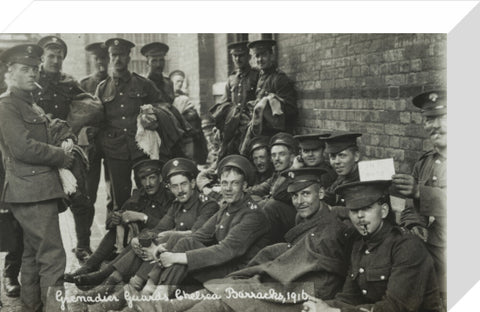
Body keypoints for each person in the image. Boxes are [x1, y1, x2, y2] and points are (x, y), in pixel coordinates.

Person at [129, 167, 354, 312]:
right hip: (279, 275)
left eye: (306, 194)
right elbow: (201, 235)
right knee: (216, 291)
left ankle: (156, 304)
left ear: (322, 194)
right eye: (295, 195)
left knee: (221, 300)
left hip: (299, 288)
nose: (300, 201)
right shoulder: (307, 217)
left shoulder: (333, 225)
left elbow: (326, 269)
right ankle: (158, 305)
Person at [82, 158, 220, 311]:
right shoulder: (177, 205)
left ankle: (120, 291)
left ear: (193, 183)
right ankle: (112, 285)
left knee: (167, 240)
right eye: (174, 186)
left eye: (183, 184)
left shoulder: (208, 204)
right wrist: (138, 239)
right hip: (171, 257)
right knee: (150, 241)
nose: (179, 190)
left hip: (191, 262)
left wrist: (159, 244)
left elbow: (195, 236)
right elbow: (159, 229)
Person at [0, 44, 74, 311]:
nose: (32, 74)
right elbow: (22, 147)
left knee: (32, 255)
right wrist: (60, 156)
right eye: (24, 69)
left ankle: (33, 306)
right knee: (53, 257)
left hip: (33, 189)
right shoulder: (7, 105)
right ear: (10, 73)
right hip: (32, 191)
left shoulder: (28, 104)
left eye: (34, 69)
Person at [301, 180, 443, 312]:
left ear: (384, 211)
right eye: (354, 210)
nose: (360, 216)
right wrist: (323, 305)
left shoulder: (407, 246)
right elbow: (349, 297)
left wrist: (336, 311)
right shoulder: (359, 244)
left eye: (366, 208)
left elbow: (396, 307)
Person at [95, 37, 183, 211]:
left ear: (129, 57)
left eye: (121, 55)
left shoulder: (143, 84)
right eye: (114, 55)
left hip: (140, 149)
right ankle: (122, 235)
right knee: (119, 198)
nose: (117, 59)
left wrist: (152, 115)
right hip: (115, 151)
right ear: (110, 57)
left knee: (147, 192)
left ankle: (145, 230)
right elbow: (97, 119)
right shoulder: (102, 88)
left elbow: (162, 105)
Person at [64, 159, 174, 288]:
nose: (148, 183)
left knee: (142, 236)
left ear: (160, 178)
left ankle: (102, 275)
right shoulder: (140, 195)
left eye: (152, 178)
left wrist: (142, 217)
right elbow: (117, 215)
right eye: (144, 179)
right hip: (133, 242)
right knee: (115, 230)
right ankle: (89, 266)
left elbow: (166, 227)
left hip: (152, 245)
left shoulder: (169, 198)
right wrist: (116, 218)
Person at [34, 35, 95, 262]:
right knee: (32, 207)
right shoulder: (32, 82)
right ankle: (14, 269)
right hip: (37, 149)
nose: (55, 60)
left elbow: (92, 104)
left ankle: (83, 246)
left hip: (65, 146)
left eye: (59, 56)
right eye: (51, 56)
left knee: (81, 198)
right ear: (42, 58)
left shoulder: (68, 83)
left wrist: (70, 125)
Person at [392, 90, 447, 305]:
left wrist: (418, 192)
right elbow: (409, 209)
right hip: (431, 253)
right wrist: (414, 224)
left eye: (444, 118)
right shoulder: (424, 163)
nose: (436, 126)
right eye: (429, 119)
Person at [241, 39, 297, 146]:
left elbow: (291, 110)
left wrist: (270, 105)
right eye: (257, 56)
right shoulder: (261, 77)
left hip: (274, 136)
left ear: (271, 56)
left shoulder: (279, 79)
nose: (260, 59)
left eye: (263, 55)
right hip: (261, 133)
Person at [209, 41, 259, 159]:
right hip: (232, 123)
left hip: (248, 122)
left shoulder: (256, 75)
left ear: (249, 57)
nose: (238, 59)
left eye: (241, 55)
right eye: (234, 56)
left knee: (246, 152)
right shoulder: (232, 78)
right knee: (228, 152)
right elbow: (224, 102)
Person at [80, 42, 114, 214]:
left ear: (109, 59)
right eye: (97, 58)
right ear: (92, 60)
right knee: (88, 191)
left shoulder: (115, 82)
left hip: (111, 143)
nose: (101, 62)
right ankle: (84, 239)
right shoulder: (83, 84)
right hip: (92, 145)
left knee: (113, 192)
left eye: (104, 58)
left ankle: (113, 234)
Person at [248, 133, 299, 243]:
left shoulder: (296, 174)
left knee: (270, 205)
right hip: (279, 221)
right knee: (252, 201)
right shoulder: (278, 174)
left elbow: (277, 194)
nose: (276, 159)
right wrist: (239, 190)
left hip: (296, 222)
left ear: (292, 157)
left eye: (281, 154)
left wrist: (294, 169)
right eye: (273, 155)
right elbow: (261, 188)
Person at [169, 69, 208, 165]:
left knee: (191, 158)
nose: (180, 84)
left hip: (190, 133)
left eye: (182, 81)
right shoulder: (169, 97)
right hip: (178, 134)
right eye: (178, 81)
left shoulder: (183, 96)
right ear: (171, 82)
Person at [323, 132, 362, 207]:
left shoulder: (364, 180)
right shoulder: (342, 178)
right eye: (333, 157)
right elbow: (328, 196)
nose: (337, 162)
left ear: (356, 156)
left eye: (342, 155)